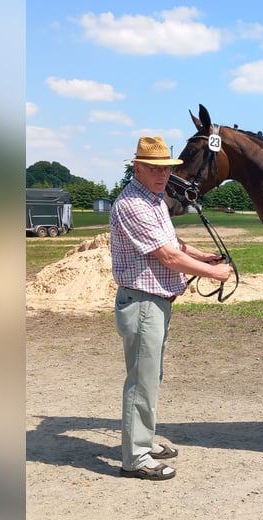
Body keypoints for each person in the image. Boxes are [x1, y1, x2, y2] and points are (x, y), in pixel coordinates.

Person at [110, 135, 233, 481]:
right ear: (137, 167)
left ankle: (143, 443)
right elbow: (166, 256)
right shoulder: (133, 204)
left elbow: (173, 243)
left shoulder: (153, 201)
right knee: (141, 381)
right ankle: (135, 458)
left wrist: (201, 255)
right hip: (143, 302)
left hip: (155, 302)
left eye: (166, 168)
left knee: (150, 377)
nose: (163, 174)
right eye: (154, 168)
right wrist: (214, 272)